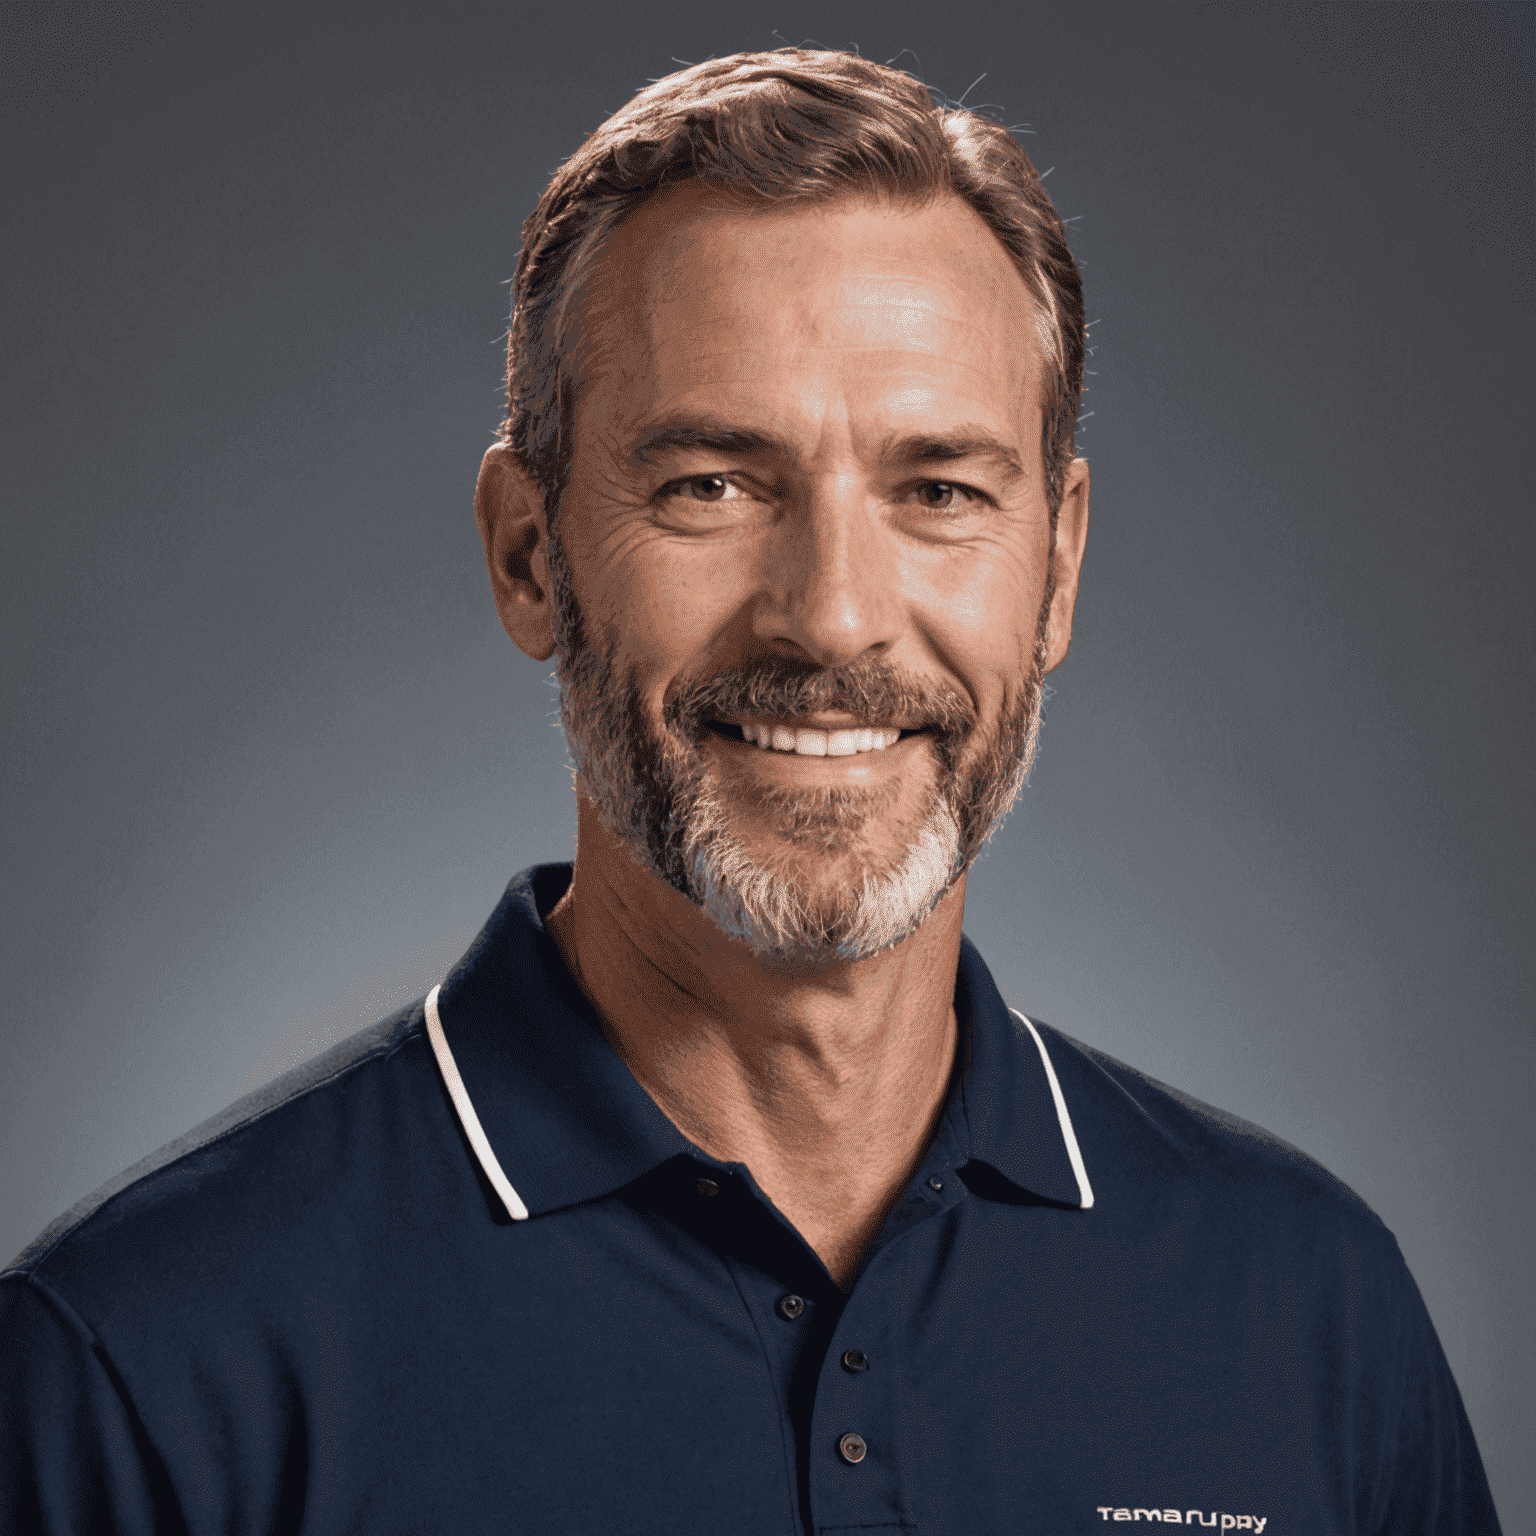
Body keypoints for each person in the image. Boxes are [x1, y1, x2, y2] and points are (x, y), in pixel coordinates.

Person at [0, 48, 1499, 1536]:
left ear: (1061, 564)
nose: (833, 616)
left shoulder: (1313, 1315)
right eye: (713, 484)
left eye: (940, 492)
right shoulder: (140, 1365)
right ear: (531, 554)